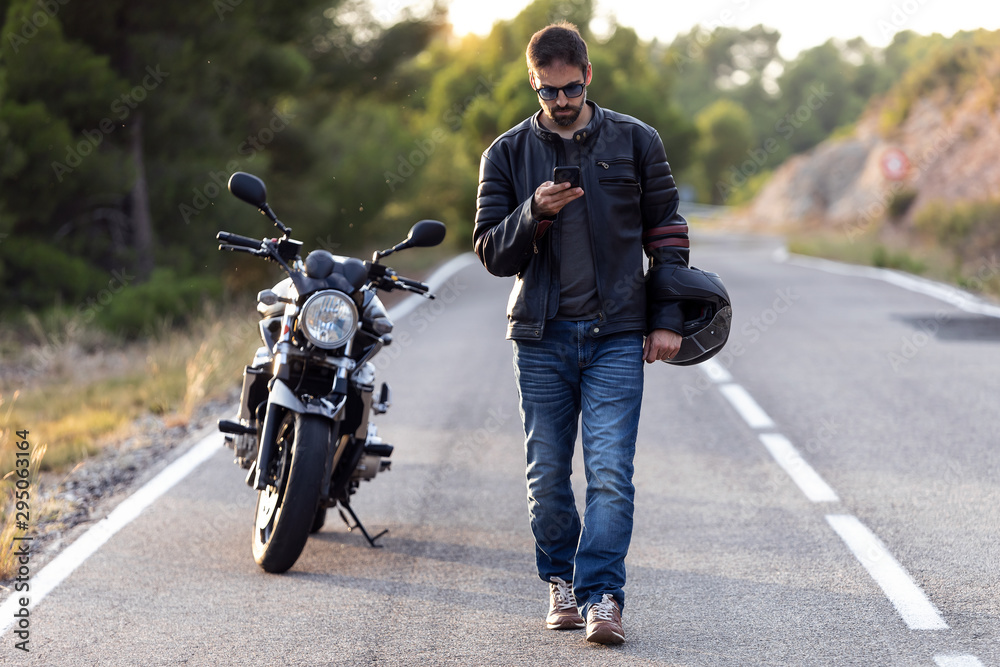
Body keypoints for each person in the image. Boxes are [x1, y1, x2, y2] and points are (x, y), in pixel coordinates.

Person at [473, 22, 691, 645]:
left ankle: (603, 598)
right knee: (546, 474)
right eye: (548, 91)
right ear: (533, 83)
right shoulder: (507, 154)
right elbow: (491, 252)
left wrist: (667, 319)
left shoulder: (636, 141)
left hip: (617, 334)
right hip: (540, 336)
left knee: (611, 472)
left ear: (588, 77)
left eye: (571, 88)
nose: (561, 101)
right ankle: (560, 584)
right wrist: (532, 213)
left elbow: (667, 235)